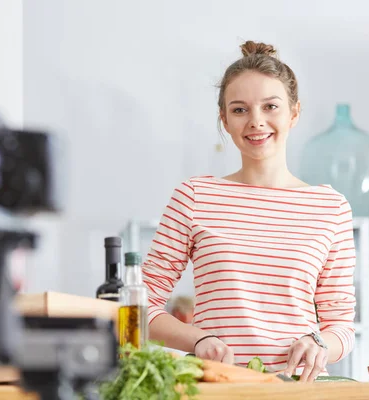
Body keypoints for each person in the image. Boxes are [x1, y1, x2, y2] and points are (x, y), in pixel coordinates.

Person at [141, 40, 356, 382]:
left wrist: (319, 343)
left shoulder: (330, 207)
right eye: (240, 110)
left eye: (271, 106)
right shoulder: (195, 196)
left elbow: (341, 325)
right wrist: (200, 339)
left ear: (294, 113)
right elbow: (138, 308)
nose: (256, 122)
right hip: (216, 385)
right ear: (224, 119)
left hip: (297, 390)